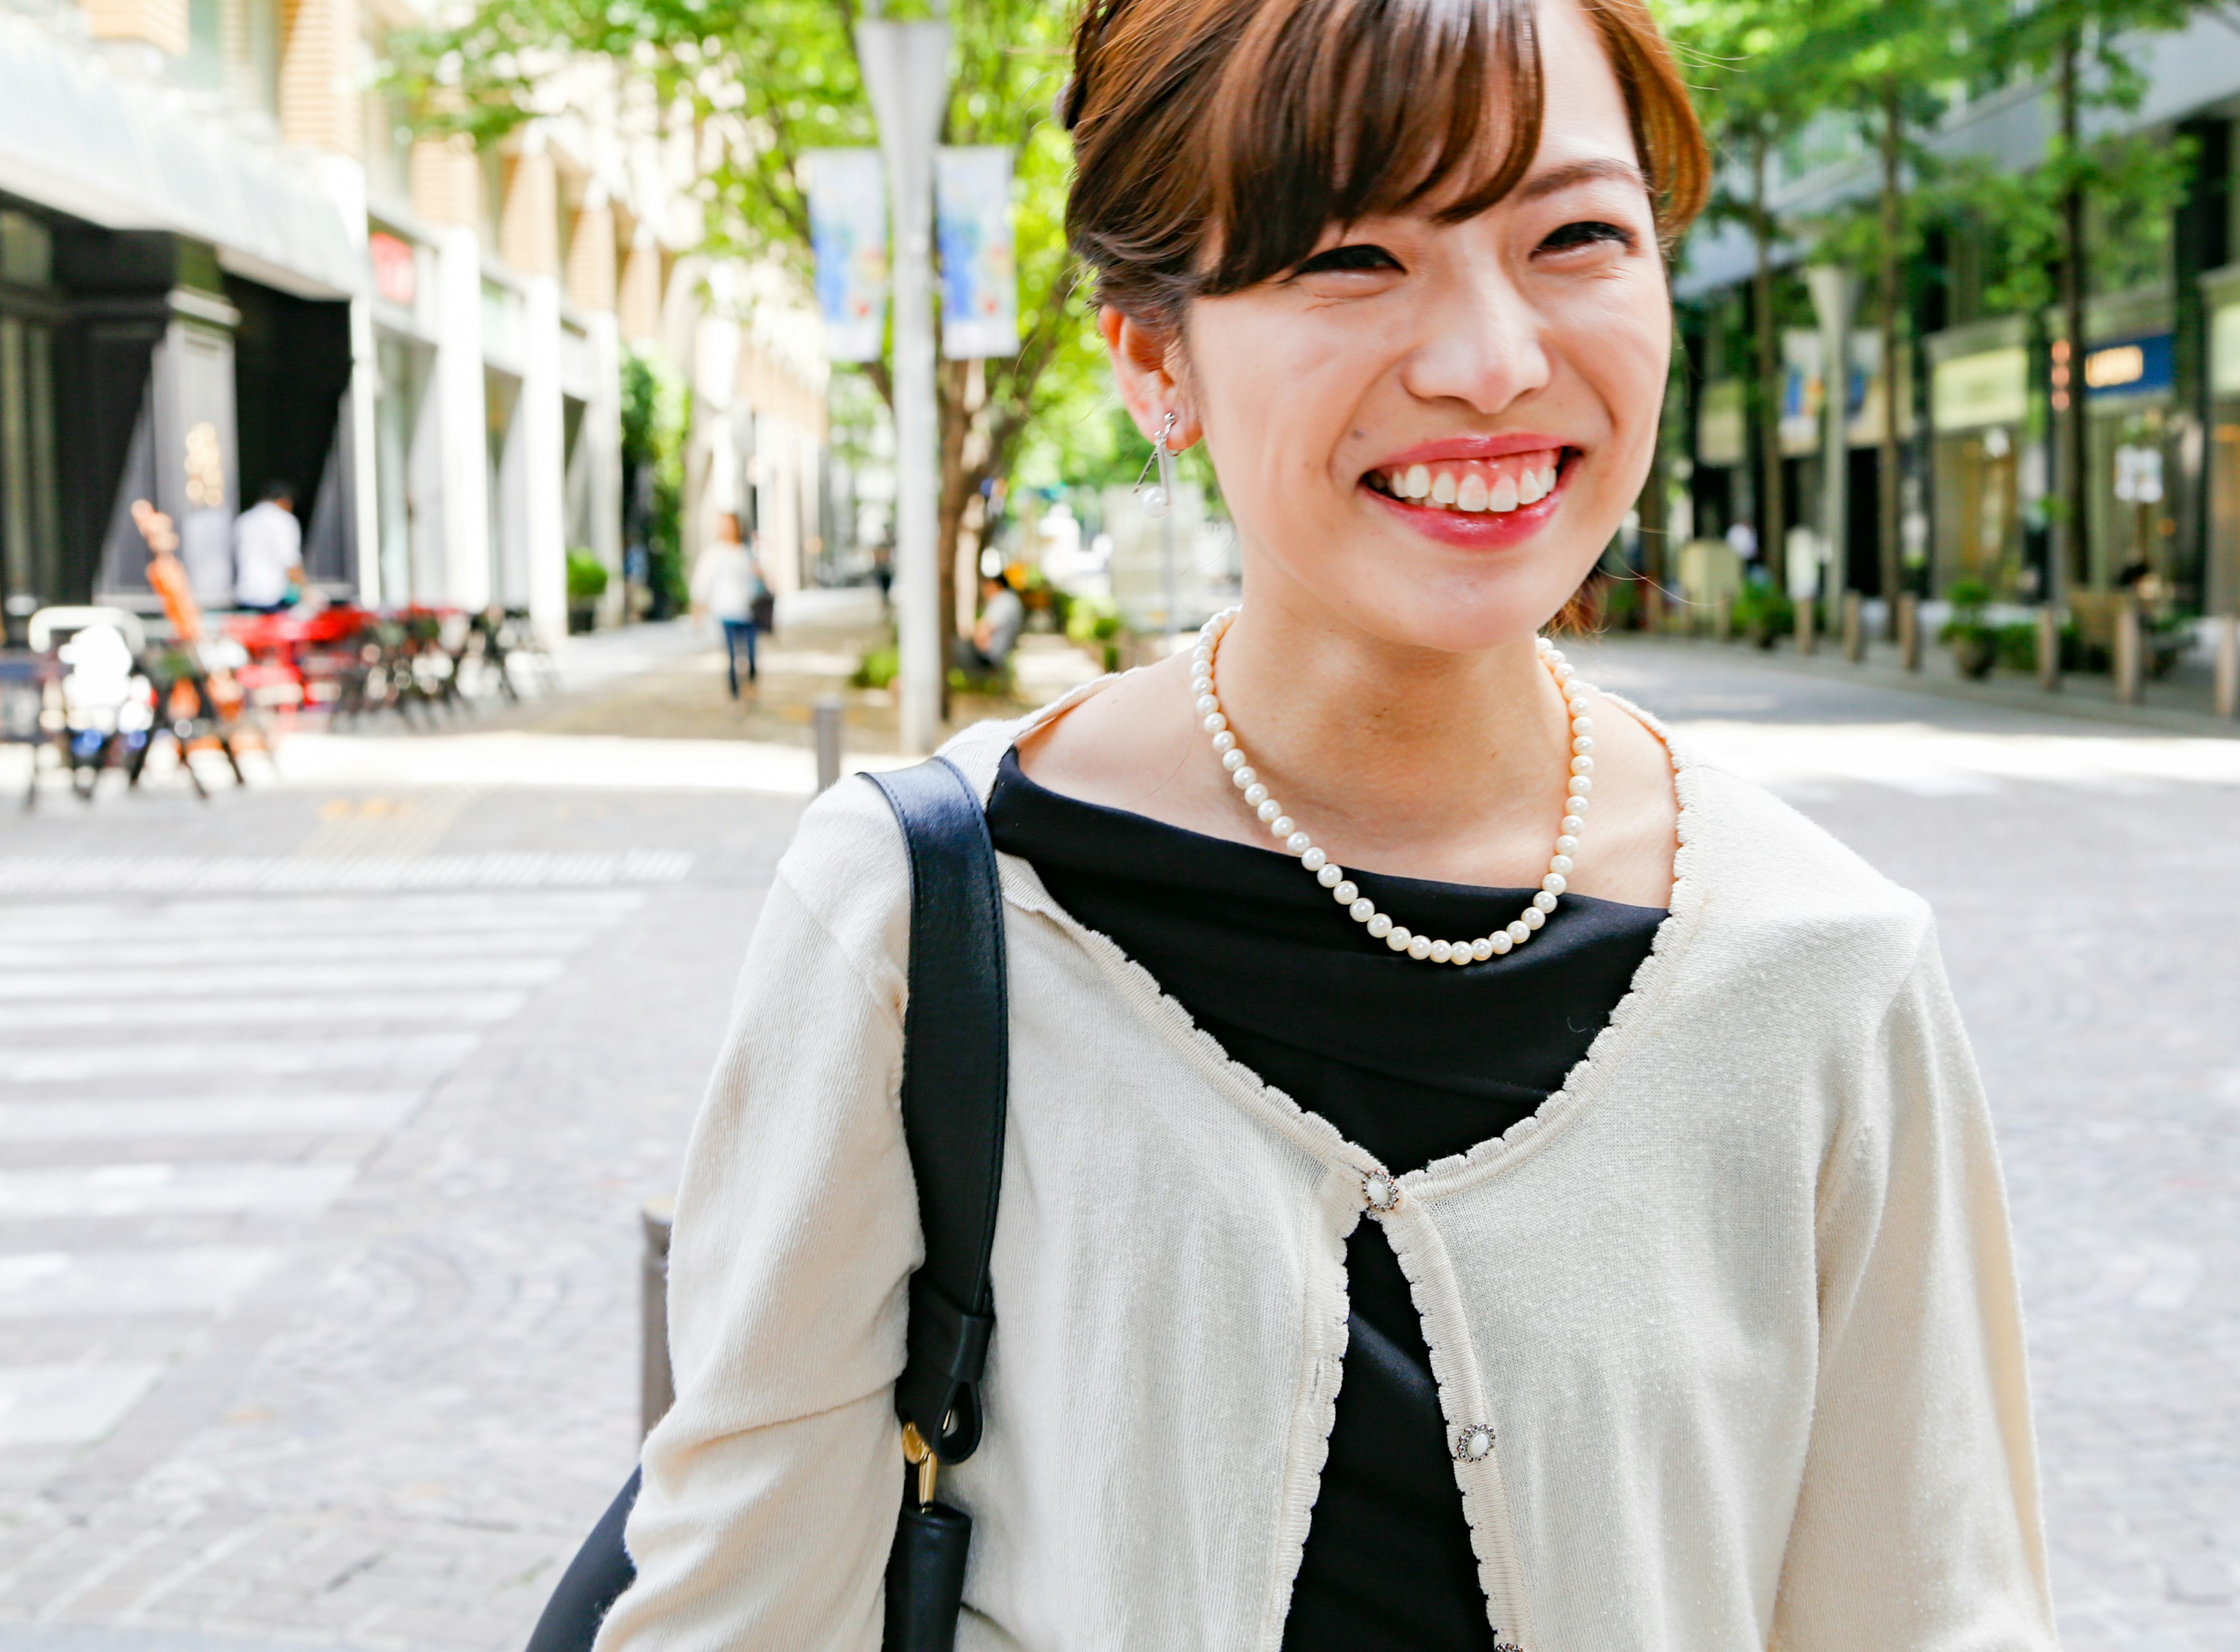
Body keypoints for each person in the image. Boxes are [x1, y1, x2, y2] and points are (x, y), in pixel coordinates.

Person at [604, 1, 2053, 1648]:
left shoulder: (1821, 967)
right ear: (1155, 356)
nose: (1493, 359)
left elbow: (1923, 1609)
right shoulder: (928, 909)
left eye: (1573, 233)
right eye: (1353, 257)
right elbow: (738, 1608)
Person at [690, 512, 762, 700]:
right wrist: (698, 616)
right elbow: (701, 584)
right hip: (726, 612)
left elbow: (759, 579)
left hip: (748, 612)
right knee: (731, 658)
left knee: (752, 656)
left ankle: (750, 686)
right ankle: (736, 697)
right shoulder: (713, 553)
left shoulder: (746, 552)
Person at [231, 481, 303, 612]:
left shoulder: (243, 520)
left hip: (244, 596)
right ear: (284, 501)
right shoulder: (284, 520)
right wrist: (306, 592)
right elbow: (290, 562)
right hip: (273, 598)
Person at [963, 570, 1025, 674]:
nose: (984, 590)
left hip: (992, 654)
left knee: (956, 648)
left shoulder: (1002, 601)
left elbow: (986, 628)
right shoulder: (1010, 599)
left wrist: (977, 635)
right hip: (1002, 652)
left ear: (995, 585)